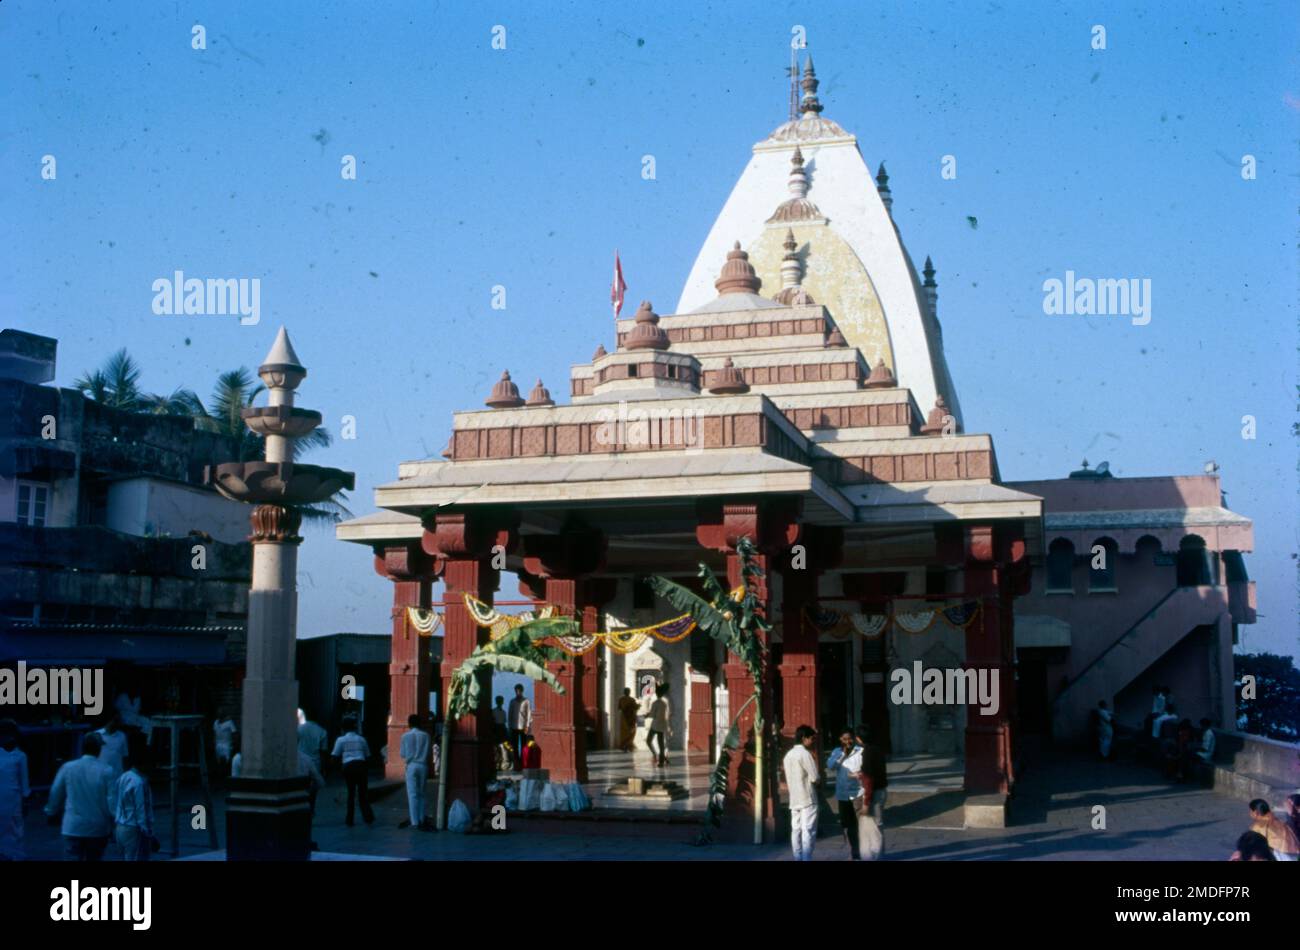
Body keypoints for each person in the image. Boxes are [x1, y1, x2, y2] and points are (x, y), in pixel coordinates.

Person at [44, 732, 115, 861]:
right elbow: (112, 800)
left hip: (73, 826)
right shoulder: (106, 770)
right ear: (98, 749)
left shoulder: (68, 767)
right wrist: (114, 822)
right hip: (98, 828)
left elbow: (56, 792)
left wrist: (51, 811)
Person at [114, 732, 156, 861]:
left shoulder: (123, 776)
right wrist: (148, 833)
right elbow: (141, 809)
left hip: (120, 825)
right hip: (134, 828)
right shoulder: (139, 782)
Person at [783, 725, 819, 861]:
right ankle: (806, 858)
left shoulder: (788, 755)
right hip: (808, 797)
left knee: (796, 829)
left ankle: (798, 857)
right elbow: (815, 777)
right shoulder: (805, 754)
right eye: (812, 739)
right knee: (808, 830)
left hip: (794, 798)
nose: (813, 741)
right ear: (804, 738)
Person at [827, 728, 864, 860]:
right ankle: (851, 851)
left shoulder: (860, 751)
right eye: (844, 739)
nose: (847, 741)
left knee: (859, 824)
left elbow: (866, 771)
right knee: (846, 825)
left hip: (857, 793)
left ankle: (861, 851)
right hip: (842, 794)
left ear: (854, 738)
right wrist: (842, 755)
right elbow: (831, 766)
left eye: (849, 738)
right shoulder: (837, 752)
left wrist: (857, 775)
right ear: (840, 740)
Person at [331, 716, 374, 826]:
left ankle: (349, 819)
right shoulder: (361, 739)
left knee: (351, 793)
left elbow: (335, 755)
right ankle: (367, 816)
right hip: (361, 765)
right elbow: (368, 755)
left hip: (348, 766)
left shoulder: (341, 740)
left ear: (343, 728)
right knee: (362, 793)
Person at [0, 719, 30, 860]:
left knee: (15, 829)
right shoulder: (17, 755)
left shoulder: (20, 756)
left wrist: (25, 800)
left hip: (13, 799)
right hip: (7, 798)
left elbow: (24, 782)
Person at [400, 714, 432, 831]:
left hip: (411, 765)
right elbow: (429, 752)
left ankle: (414, 821)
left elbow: (402, 754)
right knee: (422, 793)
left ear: (409, 723)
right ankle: (422, 818)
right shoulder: (426, 735)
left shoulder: (405, 736)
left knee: (412, 794)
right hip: (423, 765)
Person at [95, 716, 129, 811]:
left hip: (116, 774)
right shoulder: (97, 735)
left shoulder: (122, 736)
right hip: (100, 774)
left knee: (114, 801)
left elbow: (125, 755)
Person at [507, 685, 532, 771]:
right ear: (515, 691)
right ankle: (516, 764)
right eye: (516, 691)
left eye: (519, 691)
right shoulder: (512, 702)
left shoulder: (526, 701)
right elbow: (509, 714)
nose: (518, 692)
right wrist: (509, 726)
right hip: (514, 726)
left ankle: (523, 763)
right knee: (515, 746)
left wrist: (527, 726)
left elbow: (528, 714)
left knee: (523, 746)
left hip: (523, 726)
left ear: (522, 691)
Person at [297, 709, 328, 774]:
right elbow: (323, 751)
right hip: (315, 762)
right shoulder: (322, 731)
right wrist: (324, 768)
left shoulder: (299, 728)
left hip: (301, 761)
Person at [646, 682, 670, 767]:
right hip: (662, 724)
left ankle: (655, 754)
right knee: (661, 744)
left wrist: (646, 715)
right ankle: (661, 761)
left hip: (655, 725)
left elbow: (652, 714)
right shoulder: (664, 703)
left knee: (648, 740)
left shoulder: (655, 703)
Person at [617, 687, 639, 753]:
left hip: (626, 718)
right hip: (629, 718)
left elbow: (619, 708)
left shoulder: (621, 699)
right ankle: (627, 746)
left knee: (626, 732)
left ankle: (626, 746)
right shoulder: (631, 700)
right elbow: (635, 707)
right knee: (629, 732)